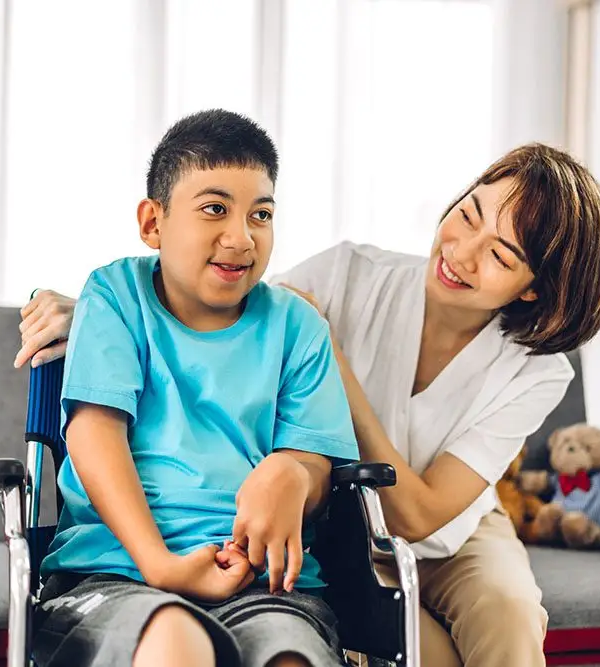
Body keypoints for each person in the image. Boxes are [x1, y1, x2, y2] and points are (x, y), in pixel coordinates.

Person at [18, 142, 600, 667]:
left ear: (533, 286)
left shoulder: (537, 371)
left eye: (502, 255)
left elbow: (419, 514)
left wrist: (336, 366)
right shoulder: (350, 272)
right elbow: (219, 293)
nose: (462, 252)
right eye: (467, 215)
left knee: (510, 615)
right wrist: (93, 314)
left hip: (448, 530)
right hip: (343, 525)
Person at [28, 109, 360, 667]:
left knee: (290, 659)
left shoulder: (297, 326)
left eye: (262, 214)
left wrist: (294, 473)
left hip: (264, 582)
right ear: (153, 223)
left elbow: (320, 473)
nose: (241, 237)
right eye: (214, 209)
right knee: (173, 643)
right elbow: (93, 432)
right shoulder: (114, 296)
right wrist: (159, 563)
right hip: (116, 570)